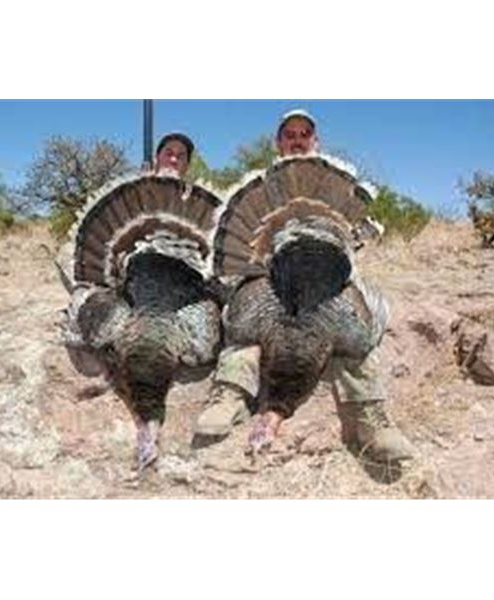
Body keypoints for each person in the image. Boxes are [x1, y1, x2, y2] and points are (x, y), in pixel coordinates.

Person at [194, 110, 414, 463]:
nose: (297, 140)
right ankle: (231, 393)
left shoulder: (335, 189)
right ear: (278, 143)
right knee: (246, 322)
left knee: (355, 333)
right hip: (273, 275)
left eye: (304, 134)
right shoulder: (267, 185)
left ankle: (370, 418)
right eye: (290, 134)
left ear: (315, 141)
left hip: (328, 277)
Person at [60, 132, 196, 377]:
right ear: (157, 158)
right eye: (169, 153)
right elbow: (108, 235)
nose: (174, 160)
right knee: (71, 256)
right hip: (131, 275)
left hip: (176, 285)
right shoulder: (135, 193)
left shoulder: (194, 201)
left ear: (187, 164)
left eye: (181, 156)